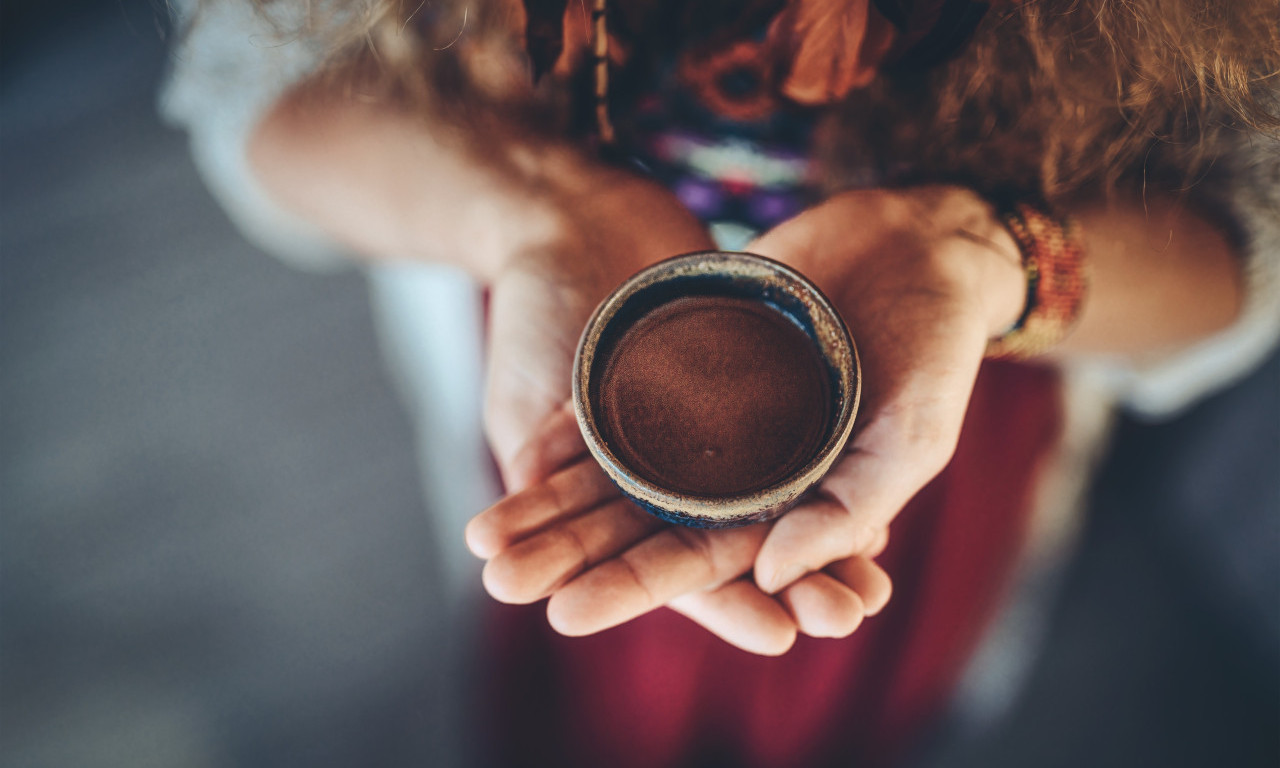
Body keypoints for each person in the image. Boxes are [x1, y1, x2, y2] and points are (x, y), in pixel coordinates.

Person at [162, 0, 1280, 765]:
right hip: (551, 353)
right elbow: (252, 90)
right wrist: (529, 212)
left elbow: (1246, 241)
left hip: (940, 403)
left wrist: (982, 258)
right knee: (577, 666)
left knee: (873, 677)